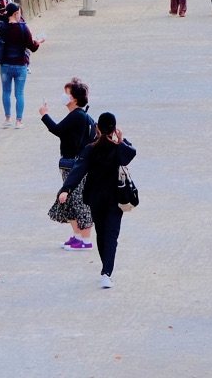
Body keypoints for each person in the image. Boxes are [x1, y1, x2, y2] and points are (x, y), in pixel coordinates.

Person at [57, 112, 137, 289]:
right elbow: (130, 154)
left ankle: (105, 271)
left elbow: (78, 170)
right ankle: (106, 272)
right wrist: (122, 140)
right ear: (114, 129)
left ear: (97, 128)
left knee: (102, 234)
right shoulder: (118, 148)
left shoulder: (90, 149)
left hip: (96, 199)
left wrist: (66, 189)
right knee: (111, 236)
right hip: (115, 199)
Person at [40, 78, 96, 250]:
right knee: (71, 200)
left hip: (74, 163)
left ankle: (85, 240)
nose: (64, 96)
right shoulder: (80, 116)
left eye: (67, 93)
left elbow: (57, 130)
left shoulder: (77, 116)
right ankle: (78, 236)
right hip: (72, 162)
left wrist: (44, 114)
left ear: (75, 98)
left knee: (78, 200)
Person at [0, 0, 43, 127]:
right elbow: (32, 47)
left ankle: (7, 119)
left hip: (5, 64)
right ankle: (19, 121)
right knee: (19, 93)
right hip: (20, 64)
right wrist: (38, 41)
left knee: (6, 91)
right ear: (16, 13)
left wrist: (5, 15)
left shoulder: (2, 27)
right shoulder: (23, 28)